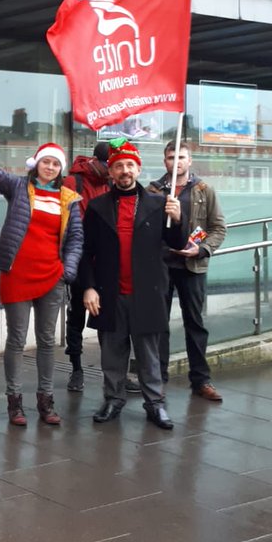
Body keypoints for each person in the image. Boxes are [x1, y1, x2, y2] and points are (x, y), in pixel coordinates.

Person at [80, 139, 186, 429]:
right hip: (108, 294)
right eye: (118, 166)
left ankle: (155, 404)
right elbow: (86, 252)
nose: (124, 170)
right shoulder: (98, 206)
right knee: (112, 355)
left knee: (149, 356)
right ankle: (113, 399)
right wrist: (88, 287)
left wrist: (177, 219)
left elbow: (176, 242)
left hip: (147, 292)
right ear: (111, 172)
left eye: (129, 165)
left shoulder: (159, 203)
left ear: (138, 168)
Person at [0, 141, 82, 427]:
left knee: (46, 341)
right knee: (16, 340)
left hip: (51, 276)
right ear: (36, 163)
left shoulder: (70, 199)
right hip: (17, 274)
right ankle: (14, 401)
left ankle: (45, 400)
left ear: (60, 170)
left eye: (56, 164)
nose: (50, 167)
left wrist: (66, 271)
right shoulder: (18, 187)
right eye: (46, 162)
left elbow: (76, 239)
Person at [149, 141, 227, 401]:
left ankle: (201, 380)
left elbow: (218, 228)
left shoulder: (204, 191)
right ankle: (157, 380)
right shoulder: (154, 190)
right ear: (165, 162)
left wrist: (202, 249)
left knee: (195, 324)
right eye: (171, 158)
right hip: (161, 266)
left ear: (190, 161)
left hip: (192, 266)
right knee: (158, 325)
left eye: (181, 157)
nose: (177, 162)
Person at [63, 141, 111, 391]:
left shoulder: (112, 182)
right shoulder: (74, 182)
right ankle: (76, 369)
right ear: (96, 161)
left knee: (108, 318)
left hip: (106, 262)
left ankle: (112, 372)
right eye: (108, 164)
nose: (111, 169)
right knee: (77, 316)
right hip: (80, 258)